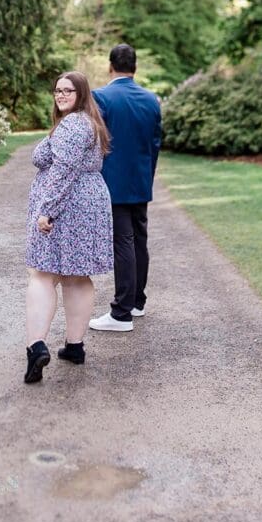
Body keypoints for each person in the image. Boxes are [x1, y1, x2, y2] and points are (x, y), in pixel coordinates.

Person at [24, 71, 113, 383]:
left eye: (68, 91)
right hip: (83, 203)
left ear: (81, 94)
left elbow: (63, 169)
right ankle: (74, 347)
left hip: (68, 206)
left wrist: (47, 210)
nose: (61, 95)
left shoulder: (74, 124)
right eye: (58, 90)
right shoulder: (82, 122)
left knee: (43, 273)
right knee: (75, 275)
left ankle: (36, 347)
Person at [89, 43, 162, 331]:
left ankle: (121, 313)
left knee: (123, 242)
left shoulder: (101, 97)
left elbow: (94, 143)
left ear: (110, 66)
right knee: (139, 240)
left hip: (113, 181)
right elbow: (155, 144)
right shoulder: (151, 100)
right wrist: (147, 174)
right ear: (135, 67)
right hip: (140, 179)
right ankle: (137, 302)